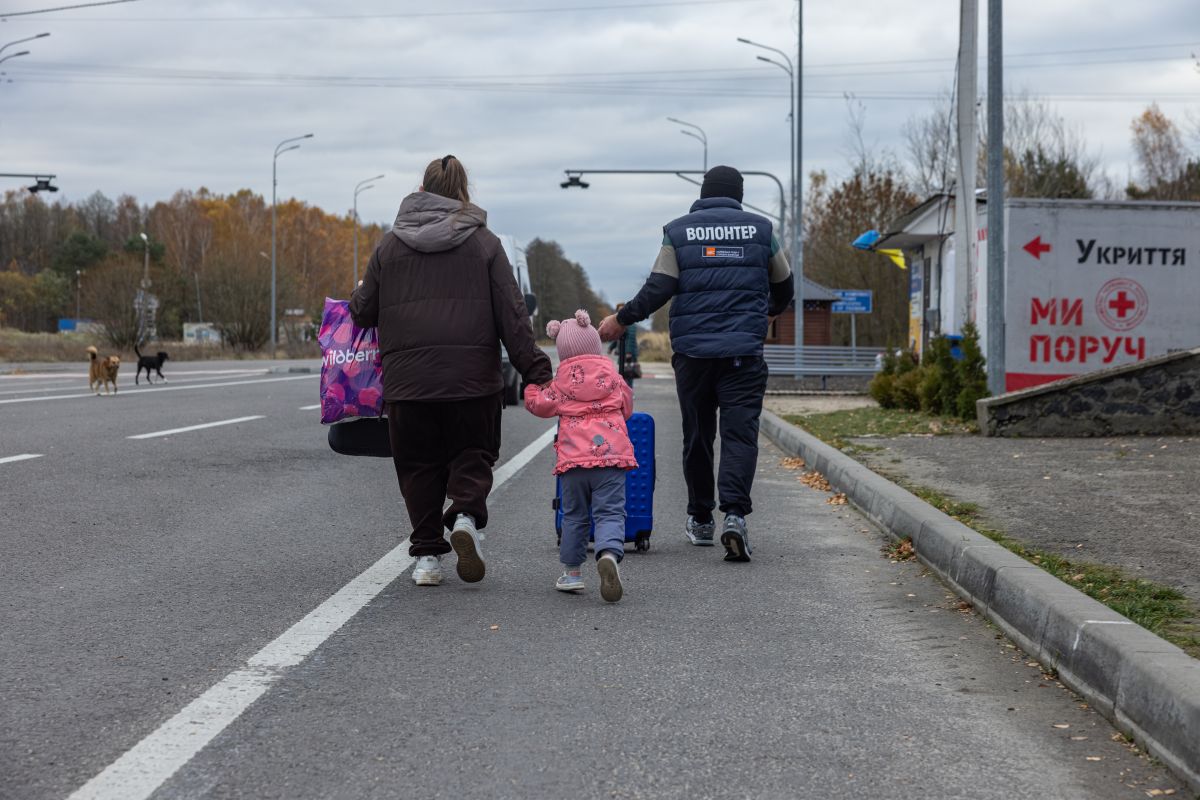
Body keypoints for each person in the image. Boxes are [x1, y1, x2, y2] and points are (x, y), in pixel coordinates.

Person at [350, 155, 552, 587]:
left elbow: (363, 313)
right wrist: (537, 372)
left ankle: (427, 558)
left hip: (408, 385)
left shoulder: (388, 247)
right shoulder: (485, 244)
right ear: (462, 193)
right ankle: (464, 516)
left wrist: (359, 293)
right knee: (472, 454)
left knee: (418, 466)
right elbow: (513, 315)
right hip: (472, 382)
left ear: (422, 190)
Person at [598, 165, 794, 563]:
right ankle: (734, 516)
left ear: (703, 193)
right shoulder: (762, 231)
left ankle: (702, 519)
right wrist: (767, 312)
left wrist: (622, 319)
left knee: (699, 436)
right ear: (739, 195)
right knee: (740, 436)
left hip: (693, 355)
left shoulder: (679, 231)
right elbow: (784, 285)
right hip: (743, 353)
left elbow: (659, 287)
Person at [524, 310, 636, 602]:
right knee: (610, 512)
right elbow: (627, 408)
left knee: (574, 516)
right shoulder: (613, 375)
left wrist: (532, 388)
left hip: (573, 463)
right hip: (611, 459)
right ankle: (608, 554)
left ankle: (572, 573)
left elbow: (539, 406)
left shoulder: (560, 381)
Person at [606, 302, 640, 387]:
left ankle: (628, 392)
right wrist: (611, 347)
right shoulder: (621, 323)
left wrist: (629, 352)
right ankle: (624, 391)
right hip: (622, 353)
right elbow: (618, 338)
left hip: (629, 354)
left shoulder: (630, 321)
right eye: (619, 310)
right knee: (622, 374)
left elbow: (631, 337)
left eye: (622, 310)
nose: (620, 312)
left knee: (629, 374)